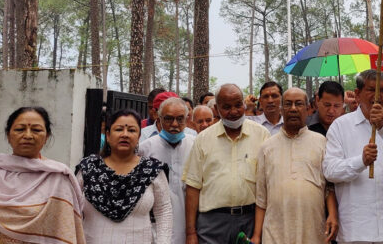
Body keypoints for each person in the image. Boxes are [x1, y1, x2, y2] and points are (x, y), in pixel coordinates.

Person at [0, 103, 86, 244]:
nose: (28, 135)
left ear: (47, 136)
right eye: (20, 129)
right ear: (8, 136)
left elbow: (64, 232)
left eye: (36, 130)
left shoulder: (58, 178)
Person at [324, 69, 383, 243]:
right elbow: (330, 171)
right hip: (357, 229)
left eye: (382, 90)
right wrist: (361, 161)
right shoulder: (340, 126)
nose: (378, 95)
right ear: (358, 94)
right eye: (371, 89)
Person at [250, 88, 339, 244]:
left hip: (313, 230)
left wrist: (332, 214)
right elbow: (261, 197)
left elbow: (329, 188)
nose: (293, 109)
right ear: (281, 109)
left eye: (298, 104)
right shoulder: (267, 147)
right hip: (275, 232)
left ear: (308, 108)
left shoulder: (322, 142)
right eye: (288, 104)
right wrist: (257, 236)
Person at [184, 84, 270, 244]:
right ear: (216, 108)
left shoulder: (262, 135)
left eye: (238, 105)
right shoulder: (203, 139)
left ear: (244, 104)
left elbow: (266, 186)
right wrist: (190, 233)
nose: (234, 111)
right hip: (211, 225)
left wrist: (258, 232)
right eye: (226, 107)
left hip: (249, 222)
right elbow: (193, 187)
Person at [77, 108, 172, 243]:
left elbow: (164, 212)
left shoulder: (152, 170)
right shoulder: (88, 168)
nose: (125, 134)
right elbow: (72, 211)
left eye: (132, 130)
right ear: (108, 135)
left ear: (139, 136)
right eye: (119, 129)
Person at [139, 97, 195, 244]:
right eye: (169, 119)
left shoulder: (195, 145)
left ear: (187, 119)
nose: (174, 124)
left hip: (188, 226)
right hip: (154, 227)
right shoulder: (145, 148)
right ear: (159, 118)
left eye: (180, 119)